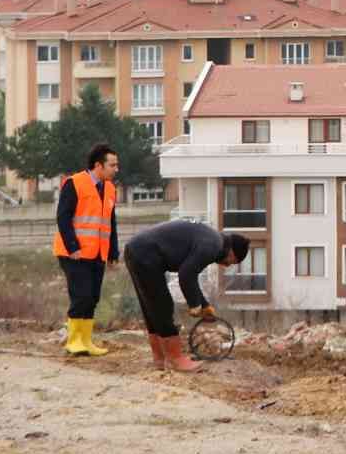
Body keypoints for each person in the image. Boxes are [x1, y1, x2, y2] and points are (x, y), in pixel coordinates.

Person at [123, 220, 249, 372]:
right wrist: (194, 305)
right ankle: (175, 360)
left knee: (151, 307)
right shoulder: (213, 247)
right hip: (146, 254)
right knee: (162, 306)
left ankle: (160, 358)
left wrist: (204, 305)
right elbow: (186, 274)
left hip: (135, 249)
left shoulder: (212, 239)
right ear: (232, 252)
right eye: (232, 262)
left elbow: (190, 274)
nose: (227, 265)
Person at [53, 143, 119, 356]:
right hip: (74, 253)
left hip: (97, 253)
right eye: (112, 165)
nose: (116, 169)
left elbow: (110, 222)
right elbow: (63, 217)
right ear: (98, 165)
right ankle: (73, 341)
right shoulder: (74, 183)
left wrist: (113, 252)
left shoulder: (109, 188)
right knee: (80, 296)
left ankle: (86, 341)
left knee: (92, 297)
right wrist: (73, 247)